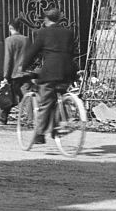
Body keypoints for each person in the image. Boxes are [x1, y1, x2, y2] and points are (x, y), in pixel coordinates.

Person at [19, 8, 78, 146]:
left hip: (51, 71)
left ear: (46, 19)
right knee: (60, 96)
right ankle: (58, 124)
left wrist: (23, 66)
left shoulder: (43, 32)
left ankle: (39, 134)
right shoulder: (69, 32)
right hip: (67, 71)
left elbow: (33, 52)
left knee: (45, 101)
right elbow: (72, 52)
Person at [0, 16, 30, 125]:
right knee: (27, 96)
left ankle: (3, 116)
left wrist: (5, 75)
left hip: (14, 74)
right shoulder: (26, 39)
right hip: (25, 72)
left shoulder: (9, 40)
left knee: (8, 95)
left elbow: (8, 59)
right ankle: (32, 118)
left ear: (10, 27)